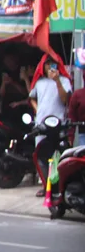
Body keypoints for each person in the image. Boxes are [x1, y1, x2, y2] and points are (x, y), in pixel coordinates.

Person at [29, 55, 72, 193]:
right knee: (41, 156)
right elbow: (31, 98)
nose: (50, 67)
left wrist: (57, 81)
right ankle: (45, 186)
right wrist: (38, 111)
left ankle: (59, 185)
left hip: (59, 124)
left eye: (53, 64)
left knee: (58, 156)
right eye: (47, 64)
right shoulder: (39, 82)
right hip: (41, 125)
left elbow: (65, 99)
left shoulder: (64, 81)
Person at [0, 50, 33, 125]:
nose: (8, 62)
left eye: (10, 59)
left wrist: (12, 83)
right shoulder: (4, 72)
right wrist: (4, 83)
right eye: (6, 60)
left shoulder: (22, 71)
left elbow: (26, 93)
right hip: (7, 108)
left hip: (21, 109)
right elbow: (1, 94)